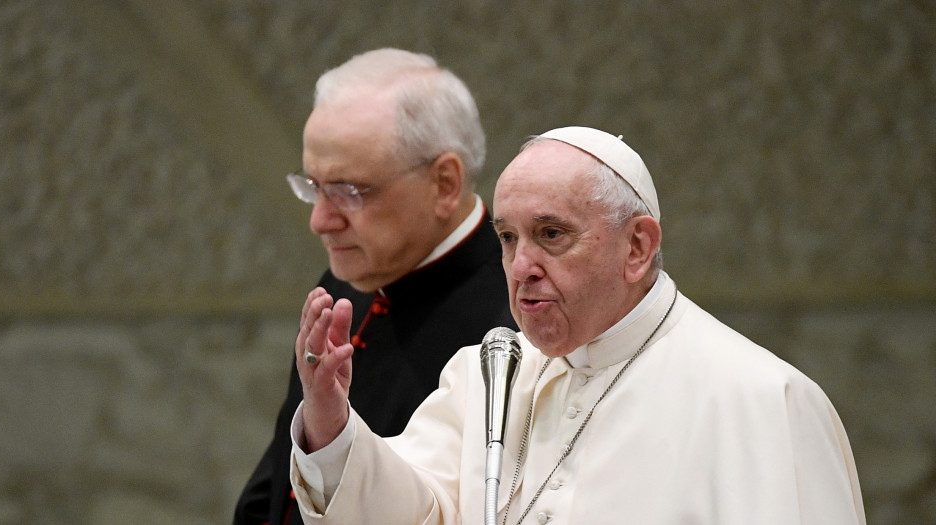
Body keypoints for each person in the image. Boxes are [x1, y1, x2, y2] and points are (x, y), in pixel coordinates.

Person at [288, 126, 866, 524]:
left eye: (552, 235)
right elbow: (418, 512)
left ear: (637, 246)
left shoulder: (763, 401)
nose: (520, 268)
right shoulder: (489, 377)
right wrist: (332, 427)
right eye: (509, 239)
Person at [232, 48, 516, 525]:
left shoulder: (514, 320)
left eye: (348, 191)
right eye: (312, 186)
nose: (320, 220)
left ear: (444, 183)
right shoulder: (348, 281)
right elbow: (278, 484)